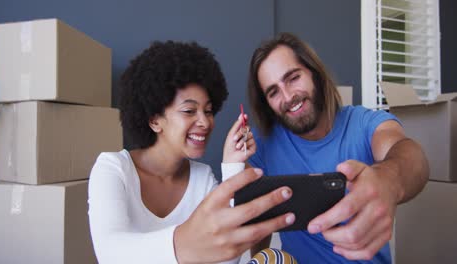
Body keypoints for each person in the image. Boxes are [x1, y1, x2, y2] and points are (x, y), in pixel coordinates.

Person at [87, 40, 296, 264]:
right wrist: (186, 242)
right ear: (154, 120)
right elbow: (110, 253)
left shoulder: (202, 178)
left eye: (208, 111)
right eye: (189, 111)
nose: (205, 122)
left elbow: (227, 255)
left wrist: (232, 165)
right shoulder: (113, 168)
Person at [246, 33, 429, 263]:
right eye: (273, 92)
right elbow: (255, 216)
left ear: (315, 73)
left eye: (293, 78)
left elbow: (411, 155)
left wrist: (388, 180)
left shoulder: (364, 124)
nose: (288, 96)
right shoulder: (264, 146)